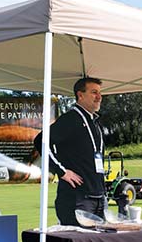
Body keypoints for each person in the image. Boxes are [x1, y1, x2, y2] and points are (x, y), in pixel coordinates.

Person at [34, 77, 107, 226]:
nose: (99, 97)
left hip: (99, 197)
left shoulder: (95, 122)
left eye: (100, 93)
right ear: (80, 95)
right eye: (94, 92)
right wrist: (62, 171)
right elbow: (41, 141)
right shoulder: (70, 119)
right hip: (78, 198)